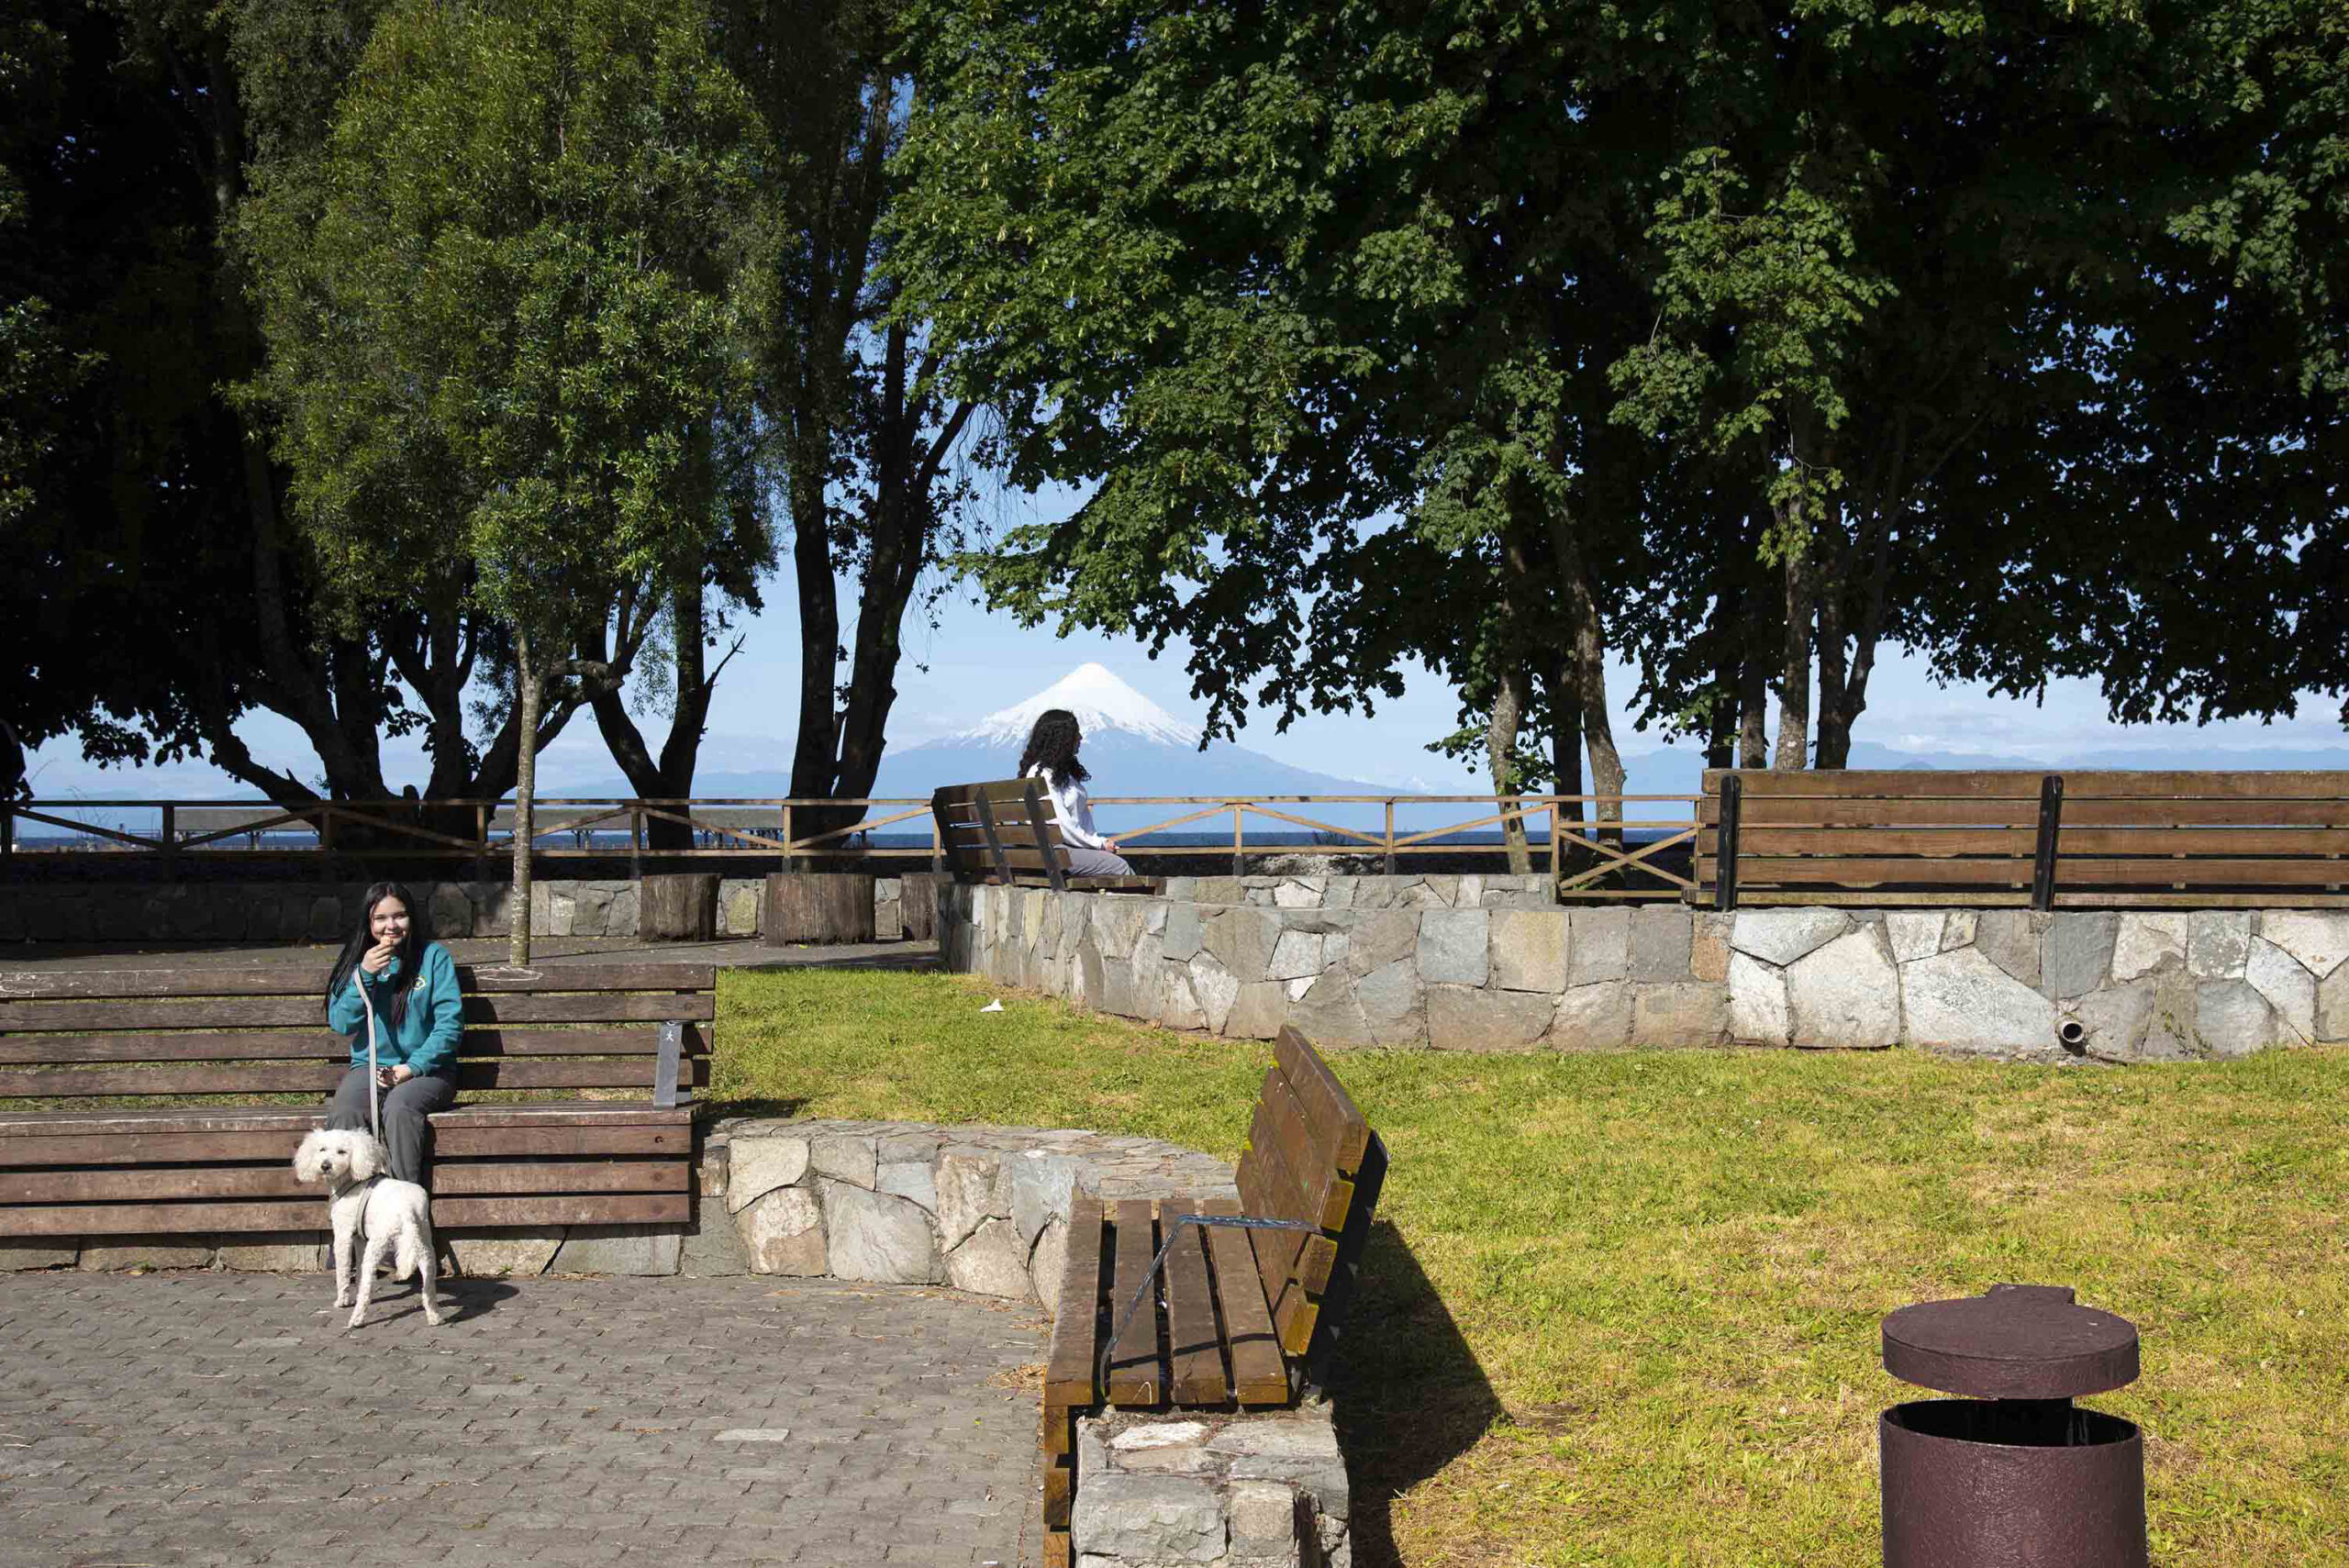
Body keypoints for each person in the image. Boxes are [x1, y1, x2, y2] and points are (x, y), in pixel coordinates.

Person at [323, 882, 463, 1188]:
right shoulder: (356, 961)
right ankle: (350, 1204)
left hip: (428, 1072)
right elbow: (342, 1023)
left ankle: (403, 1201)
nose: (391, 926)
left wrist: (412, 1067)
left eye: (399, 916)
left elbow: (449, 1026)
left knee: (399, 1109)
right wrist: (365, 975)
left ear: (412, 917)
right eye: (380, 918)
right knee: (346, 1110)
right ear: (368, 922)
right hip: (370, 1068)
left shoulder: (434, 958)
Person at [1019, 708, 1135, 875]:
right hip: (1054, 853)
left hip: (1050, 850)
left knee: (1113, 863)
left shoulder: (1051, 773)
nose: (1080, 738)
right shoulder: (1043, 775)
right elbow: (1060, 825)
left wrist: (1097, 844)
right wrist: (1099, 844)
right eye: (1076, 733)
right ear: (1062, 739)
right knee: (1119, 867)